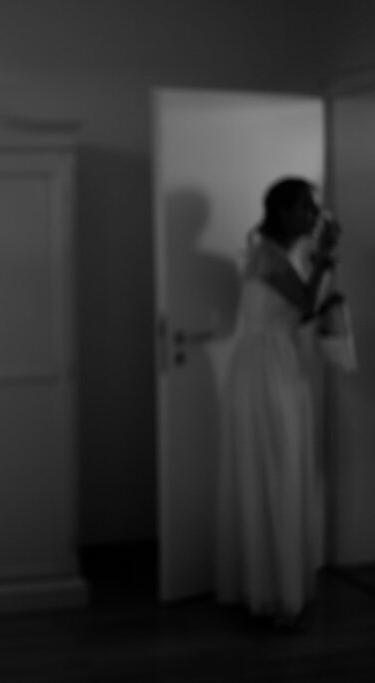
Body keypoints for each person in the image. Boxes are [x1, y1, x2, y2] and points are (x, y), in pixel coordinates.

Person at [216, 176, 343, 630]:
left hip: (274, 364)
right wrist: (326, 259)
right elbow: (305, 302)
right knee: (274, 468)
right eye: (308, 208)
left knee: (279, 467)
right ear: (285, 211)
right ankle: (271, 591)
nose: (314, 216)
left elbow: (299, 309)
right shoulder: (268, 254)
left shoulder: (271, 250)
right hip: (267, 370)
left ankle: (270, 582)